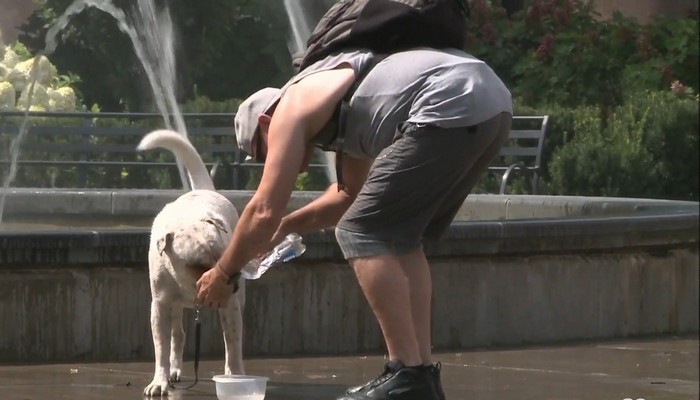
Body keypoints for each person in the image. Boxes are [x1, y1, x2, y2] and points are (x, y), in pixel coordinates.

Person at [196, 47, 513, 400]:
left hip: (448, 102)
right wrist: (287, 227)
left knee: (360, 232)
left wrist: (224, 272)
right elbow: (348, 195)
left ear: (266, 124)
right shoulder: (338, 106)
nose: (275, 163)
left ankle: (405, 370)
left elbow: (262, 210)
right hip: (490, 102)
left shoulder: (290, 107)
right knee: (402, 239)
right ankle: (421, 374)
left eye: (262, 153)